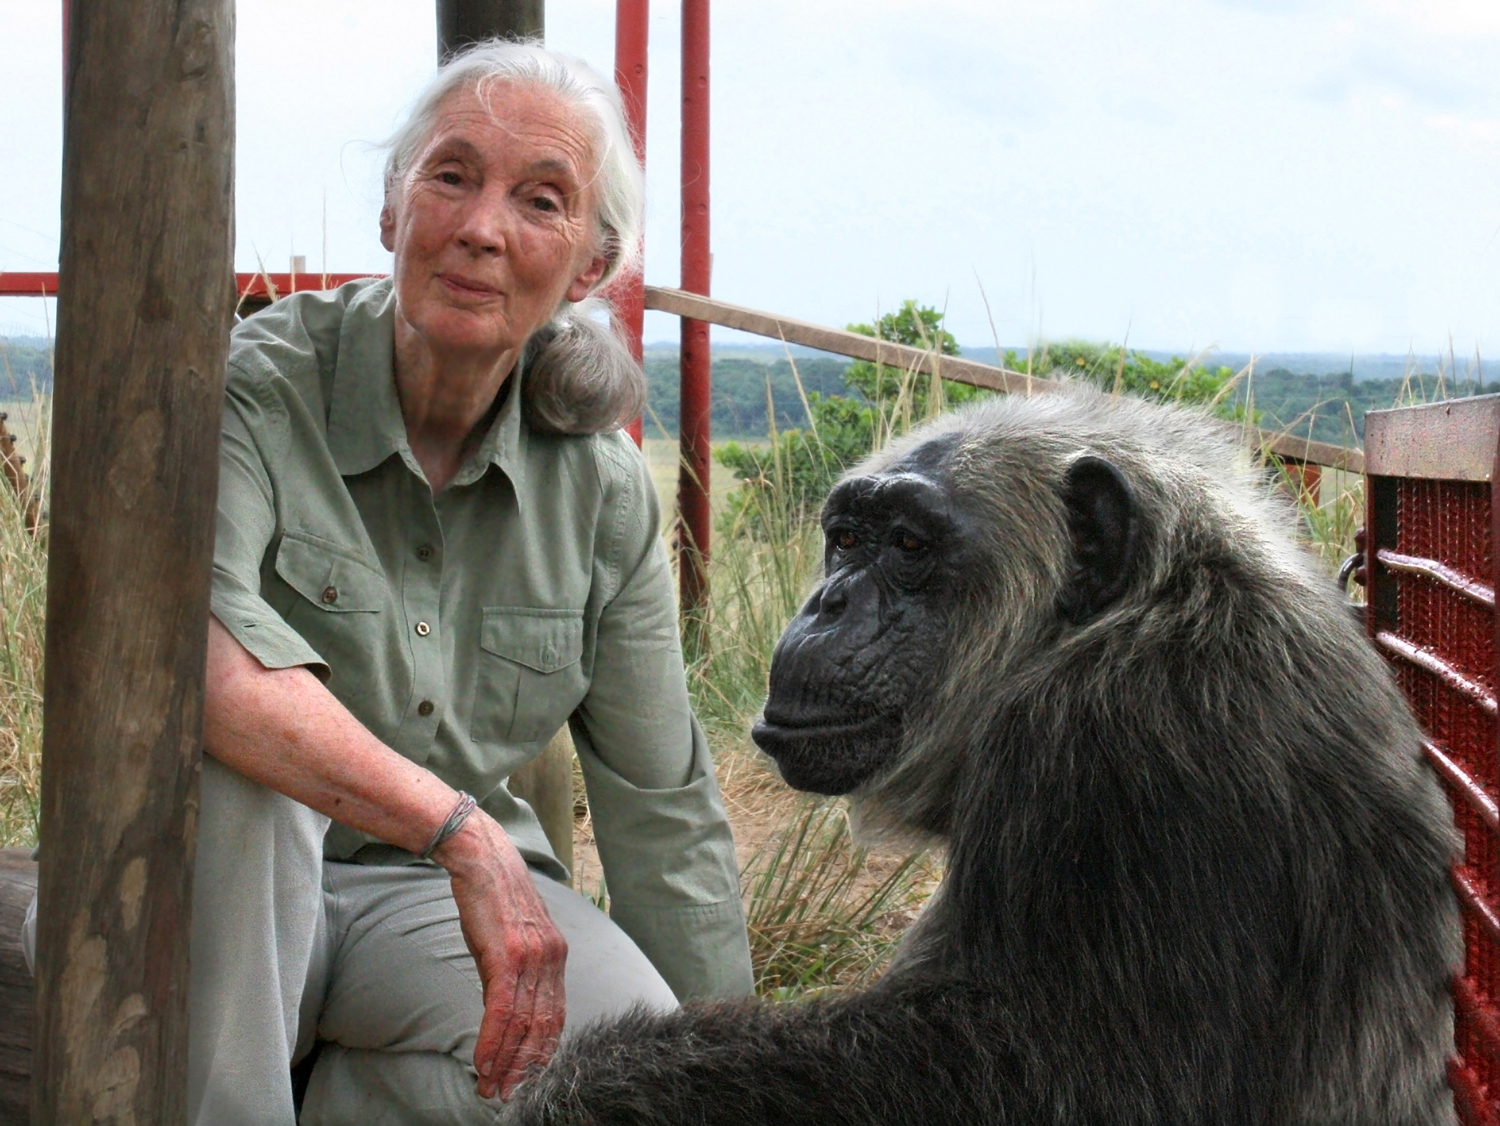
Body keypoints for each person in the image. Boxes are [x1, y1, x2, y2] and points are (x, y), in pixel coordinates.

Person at [177, 38, 750, 1126]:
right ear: (393, 210)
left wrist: (732, 1080)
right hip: (214, 908)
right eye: (451, 175)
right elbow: (203, 664)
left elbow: (662, 812)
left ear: (587, 266)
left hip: (420, 914)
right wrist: (462, 830)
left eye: (541, 200)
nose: (483, 227)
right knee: (255, 771)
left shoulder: (602, 489)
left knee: (619, 1047)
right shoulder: (252, 394)